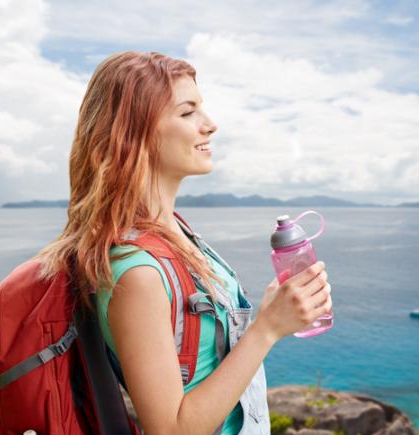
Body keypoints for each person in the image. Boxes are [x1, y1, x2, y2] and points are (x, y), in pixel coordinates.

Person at [34, 51, 333, 435]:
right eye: (188, 112)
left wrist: (278, 310)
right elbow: (171, 429)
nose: (210, 125)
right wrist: (268, 328)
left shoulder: (175, 231)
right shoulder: (137, 272)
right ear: (134, 133)